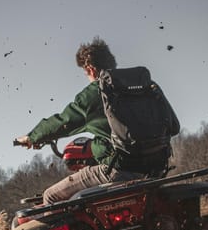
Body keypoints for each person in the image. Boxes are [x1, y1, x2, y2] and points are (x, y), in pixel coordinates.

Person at [15, 37, 180, 205]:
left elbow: (63, 122)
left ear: (91, 69)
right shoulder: (145, 85)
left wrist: (32, 137)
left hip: (119, 169)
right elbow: (174, 126)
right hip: (157, 166)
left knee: (50, 196)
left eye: (85, 73)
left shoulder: (96, 92)